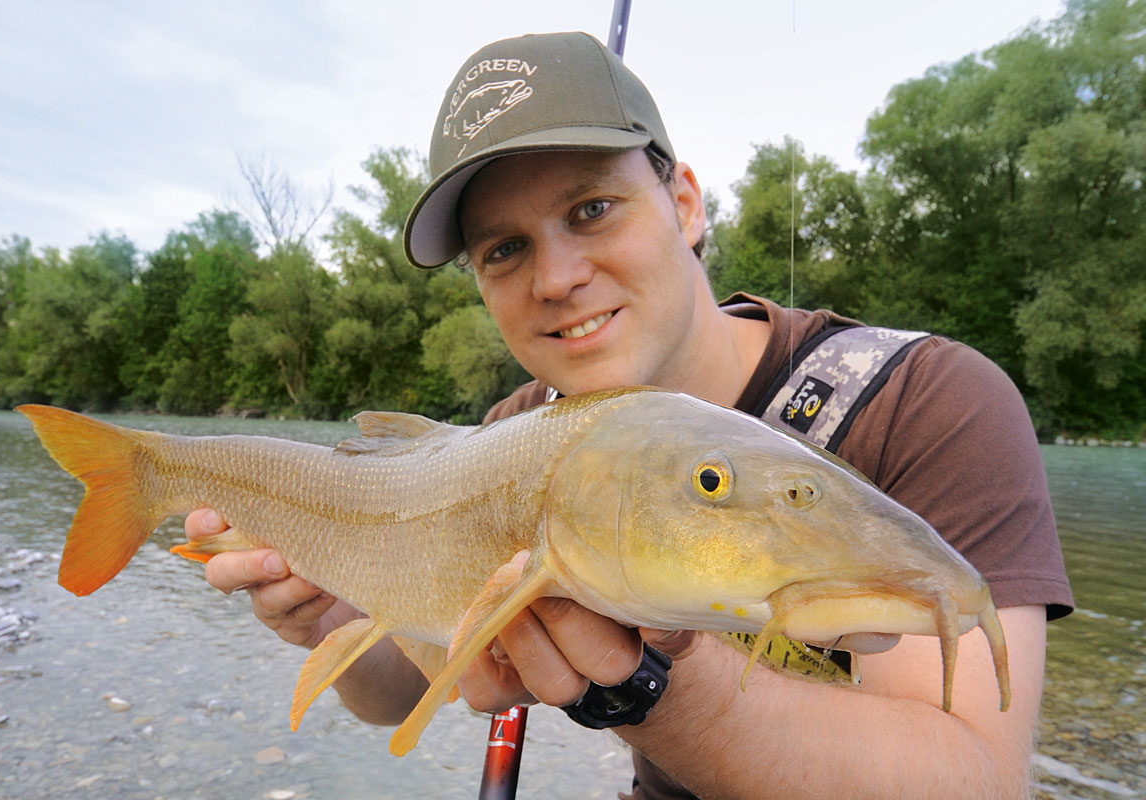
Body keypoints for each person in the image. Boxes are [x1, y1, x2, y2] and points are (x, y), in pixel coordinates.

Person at [185, 32, 1072, 798]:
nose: (557, 276)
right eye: (504, 249)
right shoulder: (515, 431)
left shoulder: (930, 402)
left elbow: (974, 780)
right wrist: (333, 616)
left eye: (592, 208)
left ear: (684, 203)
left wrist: (645, 685)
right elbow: (408, 687)